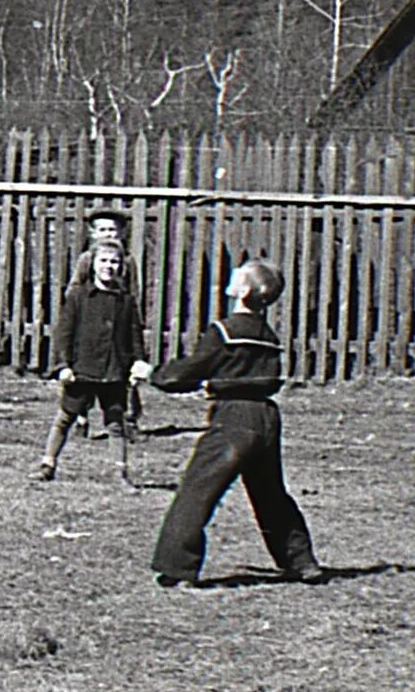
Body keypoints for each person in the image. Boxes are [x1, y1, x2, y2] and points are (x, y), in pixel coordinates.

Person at [148, 256, 328, 589]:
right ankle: (302, 562)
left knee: (197, 490)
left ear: (243, 290)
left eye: (237, 276)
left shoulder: (224, 331)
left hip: (234, 417)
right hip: (267, 417)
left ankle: (177, 567)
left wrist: (155, 375)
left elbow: (189, 371)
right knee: (270, 493)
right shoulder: (269, 336)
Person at [36, 240, 149, 484]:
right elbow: (64, 334)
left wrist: (138, 362)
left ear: (122, 267)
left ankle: (120, 472)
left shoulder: (126, 301)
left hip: (114, 371)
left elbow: (135, 337)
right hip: (82, 369)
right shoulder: (78, 297)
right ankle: (48, 464)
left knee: (116, 422)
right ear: (93, 264)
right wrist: (63, 366)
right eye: (104, 261)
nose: (109, 266)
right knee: (66, 416)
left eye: (114, 262)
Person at [70, 208, 150, 435]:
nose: (108, 235)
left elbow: (134, 291)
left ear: (122, 233)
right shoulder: (87, 259)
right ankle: (81, 417)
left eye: (112, 230)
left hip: (118, 321)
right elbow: (75, 288)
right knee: (85, 372)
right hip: (91, 321)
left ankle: (128, 418)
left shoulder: (126, 261)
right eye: (102, 230)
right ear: (93, 233)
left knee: (123, 372)